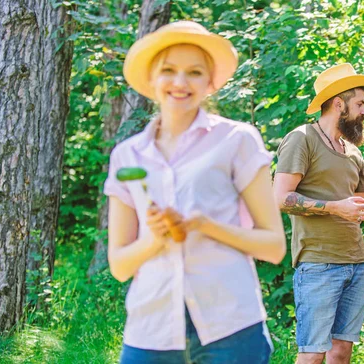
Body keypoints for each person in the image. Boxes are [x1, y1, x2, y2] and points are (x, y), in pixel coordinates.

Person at [104, 21, 286, 364]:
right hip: (151, 330)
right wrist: (155, 238)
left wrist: (204, 225)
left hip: (231, 328)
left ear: (210, 82)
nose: (180, 82)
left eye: (194, 72)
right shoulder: (127, 155)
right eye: (169, 70)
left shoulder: (238, 140)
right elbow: (119, 265)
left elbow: (274, 247)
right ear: (152, 79)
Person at [273, 63, 364, 364]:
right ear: (339, 103)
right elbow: (281, 198)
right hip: (318, 263)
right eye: (360, 104)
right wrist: (337, 208)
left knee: (341, 353)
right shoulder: (302, 138)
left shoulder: (351, 150)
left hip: (356, 264)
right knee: (312, 355)